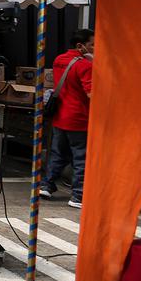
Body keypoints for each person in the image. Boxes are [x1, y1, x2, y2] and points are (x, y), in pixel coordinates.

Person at [42, 29, 94, 210]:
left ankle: (46, 186)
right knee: (80, 159)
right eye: (92, 45)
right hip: (79, 119)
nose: (94, 48)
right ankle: (78, 196)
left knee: (57, 153)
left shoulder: (59, 60)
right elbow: (91, 94)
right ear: (80, 46)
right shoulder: (86, 66)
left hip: (59, 116)